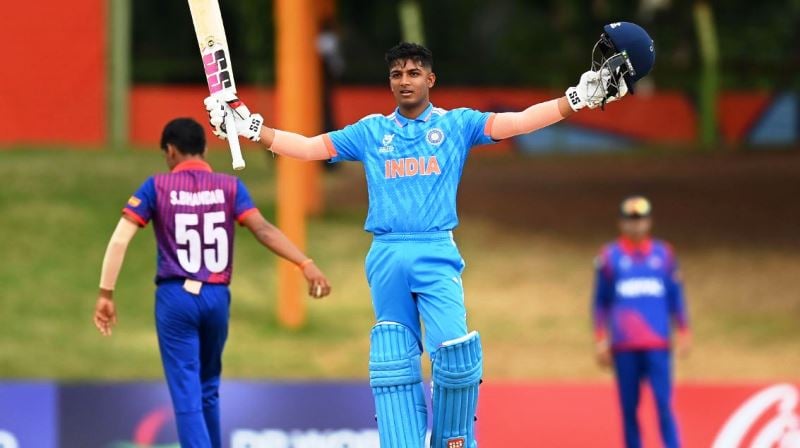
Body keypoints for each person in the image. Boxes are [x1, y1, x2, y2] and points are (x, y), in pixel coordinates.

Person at [204, 22, 654, 448]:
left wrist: (574, 100)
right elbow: (305, 148)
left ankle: (454, 440)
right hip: (385, 255)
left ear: (431, 79)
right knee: (393, 364)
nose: (405, 80)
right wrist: (250, 128)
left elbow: (517, 122)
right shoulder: (371, 132)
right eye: (397, 74)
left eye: (414, 73)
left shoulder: (456, 125)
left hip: (436, 251)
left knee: (456, 359)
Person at [92, 118, 331, 448]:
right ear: (205, 149)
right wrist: (305, 263)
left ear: (170, 151)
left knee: (185, 390)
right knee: (208, 386)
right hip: (217, 297)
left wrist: (106, 292)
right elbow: (263, 230)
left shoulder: (156, 186)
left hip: (176, 296)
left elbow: (120, 240)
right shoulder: (230, 186)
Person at [592, 195, 691, 448]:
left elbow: (675, 296)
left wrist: (684, 331)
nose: (635, 225)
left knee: (664, 404)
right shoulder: (609, 257)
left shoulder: (664, 254)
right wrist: (601, 340)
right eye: (630, 220)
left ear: (649, 222)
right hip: (625, 346)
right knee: (628, 409)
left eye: (640, 220)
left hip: (657, 343)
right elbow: (600, 302)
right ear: (621, 223)